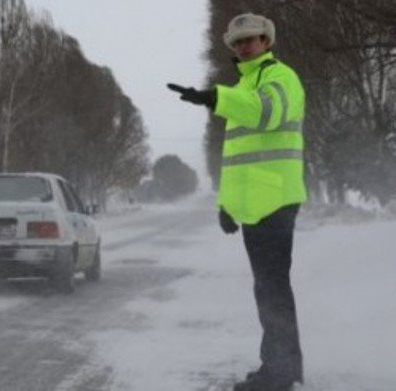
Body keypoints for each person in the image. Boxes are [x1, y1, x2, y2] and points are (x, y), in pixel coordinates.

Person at [167, 13, 307, 391]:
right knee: (268, 287)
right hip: (257, 206)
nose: (245, 46)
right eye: (239, 42)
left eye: (252, 39)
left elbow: (266, 112)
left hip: (276, 203)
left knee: (272, 287)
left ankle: (279, 372)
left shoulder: (280, 77)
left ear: (267, 41)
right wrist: (228, 205)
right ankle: (282, 367)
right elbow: (240, 162)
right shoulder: (245, 86)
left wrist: (216, 97)